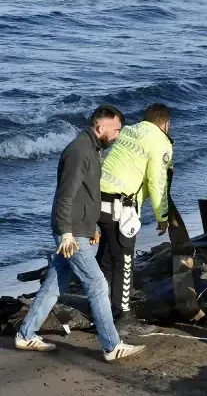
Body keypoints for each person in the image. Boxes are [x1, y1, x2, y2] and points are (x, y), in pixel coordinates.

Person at [15, 105, 146, 362]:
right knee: (97, 283)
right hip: (70, 233)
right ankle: (112, 345)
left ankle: (25, 334)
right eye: (116, 129)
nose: (118, 135)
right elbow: (65, 195)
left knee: (55, 284)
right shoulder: (79, 151)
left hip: (79, 229)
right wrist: (66, 233)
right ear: (101, 127)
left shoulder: (92, 150)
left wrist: (92, 226)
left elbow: (86, 196)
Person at [96, 103, 173, 336]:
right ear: (166, 124)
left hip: (97, 198)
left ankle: (102, 310)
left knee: (107, 258)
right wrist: (163, 215)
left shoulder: (128, 131)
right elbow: (156, 181)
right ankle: (124, 317)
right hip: (121, 206)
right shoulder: (161, 142)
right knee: (124, 260)